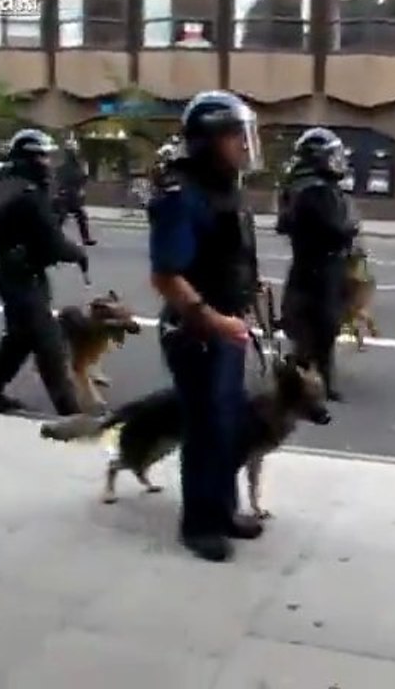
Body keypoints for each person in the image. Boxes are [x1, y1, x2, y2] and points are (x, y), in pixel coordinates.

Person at [146, 90, 265, 562]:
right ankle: (198, 523)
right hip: (196, 332)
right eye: (236, 136)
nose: (243, 145)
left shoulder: (223, 186)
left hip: (227, 327)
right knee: (204, 426)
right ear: (210, 140)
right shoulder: (182, 195)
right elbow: (166, 275)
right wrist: (213, 320)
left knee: (228, 422)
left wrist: (249, 291)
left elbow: (230, 252)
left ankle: (223, 510)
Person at [0, 128, 88, 415]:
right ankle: (71, 413)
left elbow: (37, 229)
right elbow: (51, 243)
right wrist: (78, 254)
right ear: (28, 160)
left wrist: (56, 210)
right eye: (42, 157)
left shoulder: (11, 185)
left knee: (18, 339)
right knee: (48, 345)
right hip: (22, 279)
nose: (48, 163)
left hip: (15, 274)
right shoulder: (27, 194)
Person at [278, 127, 357, 401]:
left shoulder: (300, 184)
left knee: (310, 326)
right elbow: (336, 228)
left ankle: (310, 377)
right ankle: (312, 382)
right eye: (332, 155)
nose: (338, 160)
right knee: (322, 325)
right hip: (321, 266)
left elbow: (284, 224)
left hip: (308, 264)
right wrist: (350, 228)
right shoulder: (316, 190)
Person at [56, 138, 94, 245]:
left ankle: (86, 238)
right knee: (61, 217)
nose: (73, 152)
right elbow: (61, 177)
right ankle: (52, 236)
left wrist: (83, 180)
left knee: (80, 215)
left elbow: (81, 178)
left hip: (73, 194)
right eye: (72, 150)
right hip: (65, 194)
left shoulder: (77, 164)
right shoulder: (67, 164)